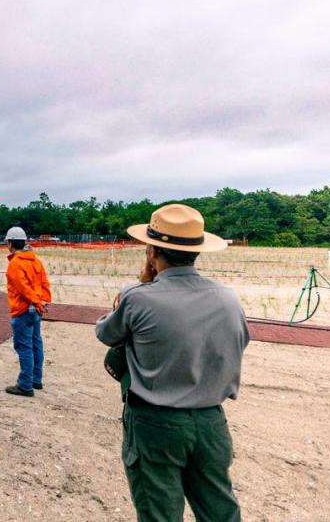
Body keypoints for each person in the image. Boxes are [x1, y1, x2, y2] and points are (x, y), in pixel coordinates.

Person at [95, 204, 249, 522]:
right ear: (197, 251)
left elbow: (107, 334)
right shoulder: (228, 298)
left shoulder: (137, 297)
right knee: (220, 510)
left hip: (154, 422)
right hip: (211, 422)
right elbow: (240, 342)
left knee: (159, 513)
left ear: (152, 251)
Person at [2, 227, 52, 397]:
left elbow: (23, 289)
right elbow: (44, 282)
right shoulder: (35, 260)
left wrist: (36, 301)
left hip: (22, 309)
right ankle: (35, 379)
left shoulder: (15, 263)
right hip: (36, 309)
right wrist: (44, 301)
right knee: (36, 344)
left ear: (10, 243)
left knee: (24, 347)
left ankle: (25, 385)